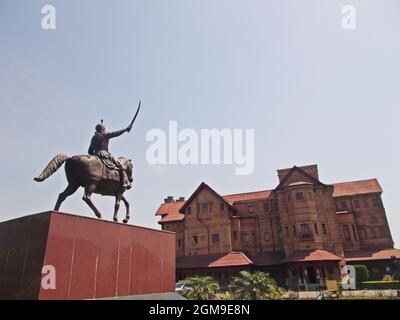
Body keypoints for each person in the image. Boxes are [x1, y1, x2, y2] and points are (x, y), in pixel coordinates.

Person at [88, 120, 131, 189]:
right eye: (105, 129)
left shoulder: (94, 137)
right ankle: (125, 182)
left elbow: (90, 151)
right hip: (104, 153)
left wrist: (95, 155)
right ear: (103, 129)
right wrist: (126, 129)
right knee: (120, 165)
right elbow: (116, 133)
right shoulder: (105, 134)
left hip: (95, 154)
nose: (105, 130)